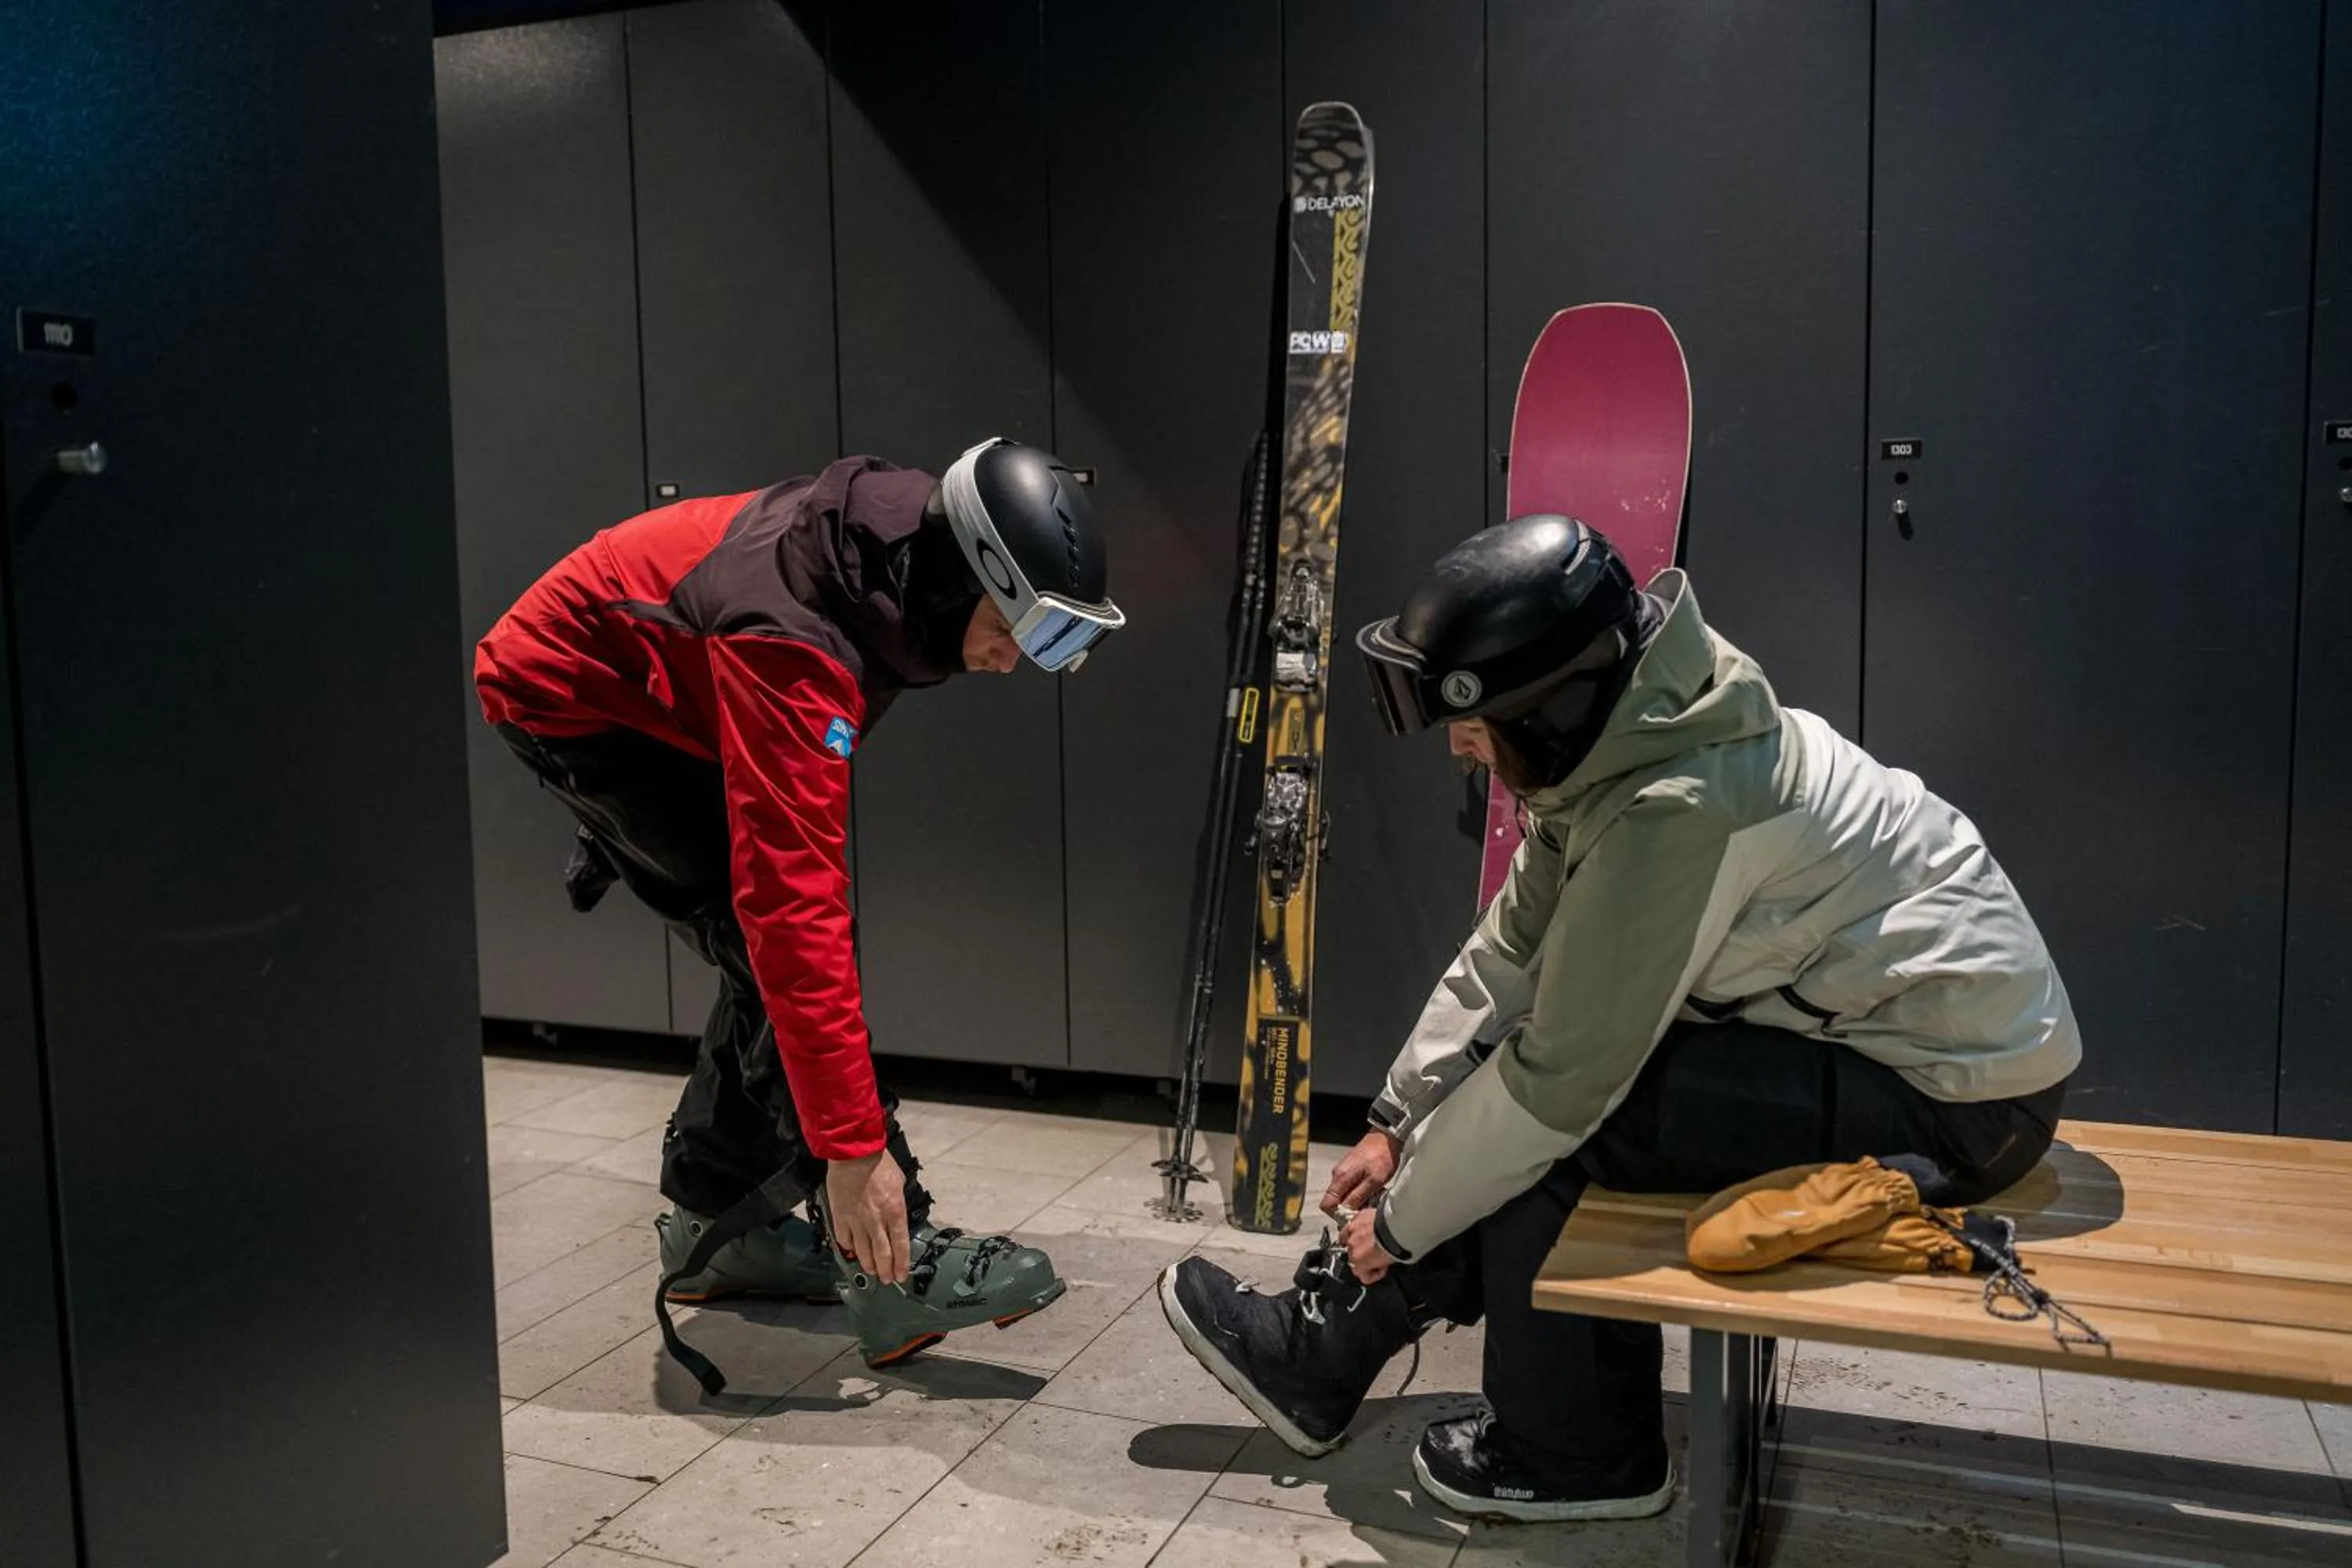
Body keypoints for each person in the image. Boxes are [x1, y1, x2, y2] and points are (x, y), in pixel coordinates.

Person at [1159, 514, 2077, 1521]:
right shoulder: (1630, 741)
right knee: (1530, 1084)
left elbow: (1558, 1086)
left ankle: (1576, 1450)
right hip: (1901, 1050)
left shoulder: (1679, 802)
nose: (1461, 748)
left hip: (1966, 1102)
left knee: (1565, 1123)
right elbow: (1508, 952)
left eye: (1470, 720)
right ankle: (1330, 1348)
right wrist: (1396, 1116)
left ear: (1550, 703)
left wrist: (1406, 1225)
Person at [477, 437, 1123, 1370]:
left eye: (1059, 642)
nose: (1020, 661)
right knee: (774, 944)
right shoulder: (803, 634)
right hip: (574, 692)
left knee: (767, 954)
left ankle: (719, 1221)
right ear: (966, 576)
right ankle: (895, 1262)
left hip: (669, 676)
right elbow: (794, 915)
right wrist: (857, 1148)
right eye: (1029, 628)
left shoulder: (902, 558)